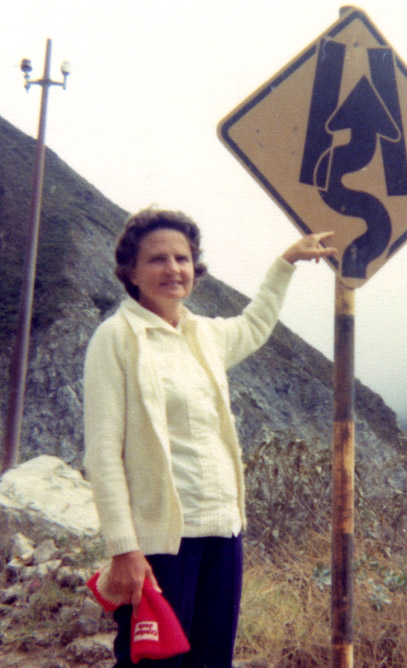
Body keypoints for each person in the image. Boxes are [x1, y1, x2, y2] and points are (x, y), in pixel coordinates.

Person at [83, 207, 337, 668]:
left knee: (212, 660)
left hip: (223, 529)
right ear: (131, 272)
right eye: (157, 259)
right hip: (162, 542)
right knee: (154, 663)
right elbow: (102, 453)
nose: (173, 269)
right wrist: (124, 549)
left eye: (182, 258)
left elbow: (256, 324)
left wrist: (286, 263)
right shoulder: (116, 338)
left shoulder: (204, 335)